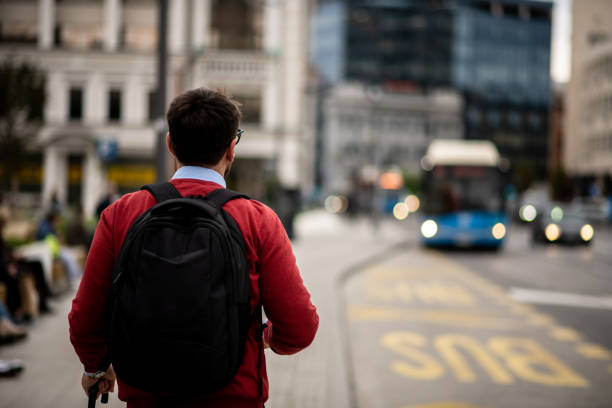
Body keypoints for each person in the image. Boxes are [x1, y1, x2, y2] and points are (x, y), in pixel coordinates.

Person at [69, 88, 319, 407]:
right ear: (231, 148)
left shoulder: (122, 213)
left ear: (170, 144)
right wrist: (261, 338)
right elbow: (299, 328)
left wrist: (96, 366)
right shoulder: (259, 221)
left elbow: (85, 317)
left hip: (147, 396)